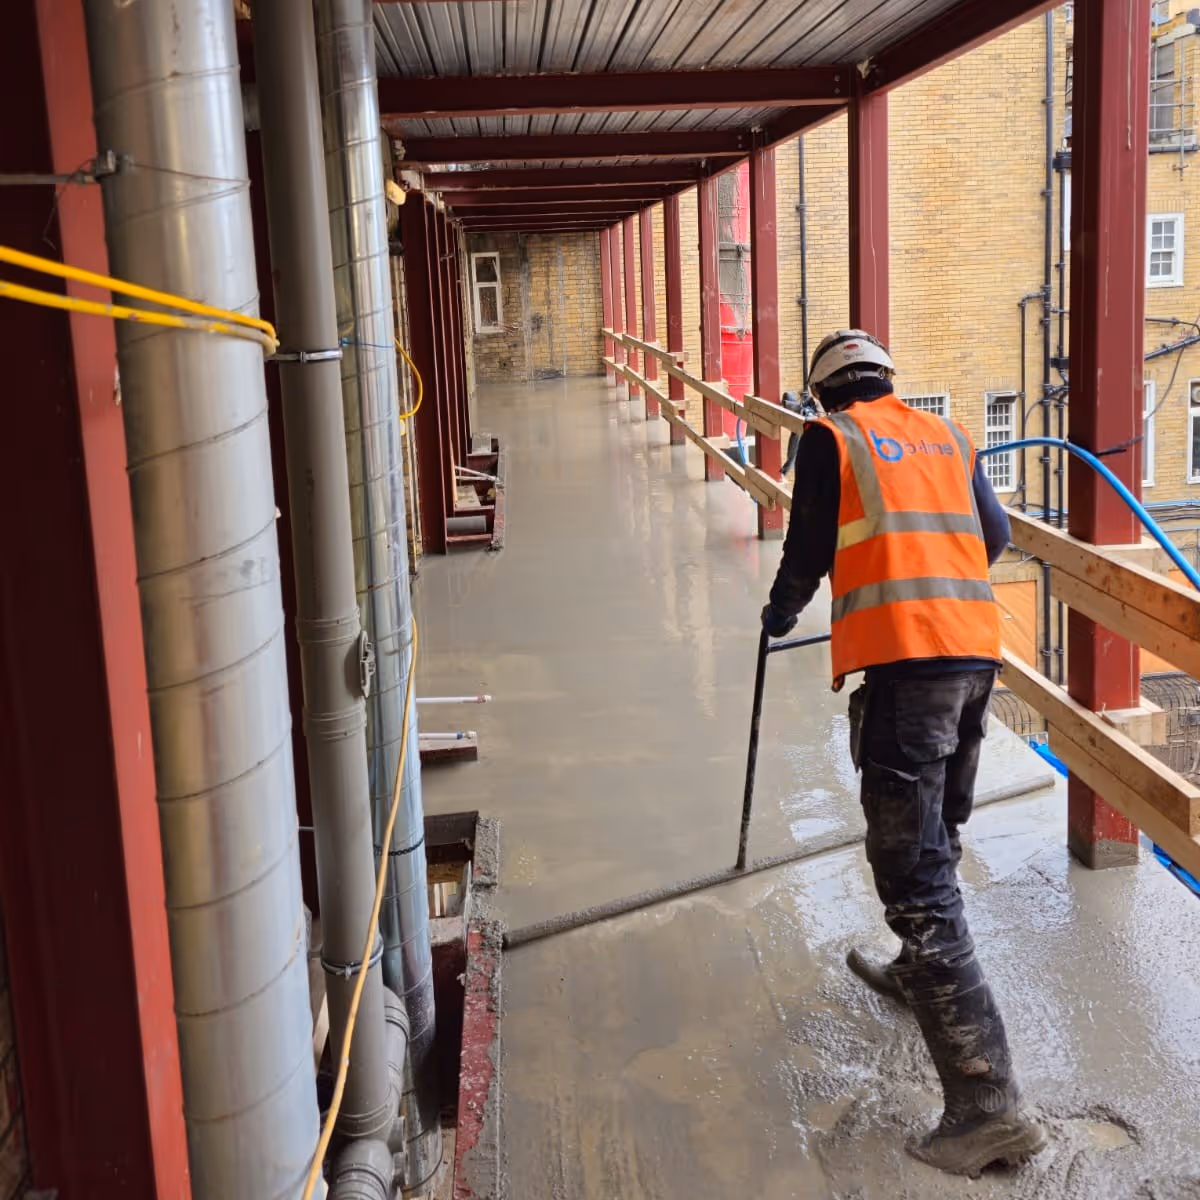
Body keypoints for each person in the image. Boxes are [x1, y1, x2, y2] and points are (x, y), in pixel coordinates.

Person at [761, 330, 1046, 1177]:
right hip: (973, 656)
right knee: (938, 832)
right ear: (886, 380)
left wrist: (779, 613)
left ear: (823, 394)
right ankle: (914, 972)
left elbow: (808, 549)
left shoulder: (831, 439)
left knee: (913, 875)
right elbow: (992, 535)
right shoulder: (946, 434)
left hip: (908, 667)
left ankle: (988, 1107)